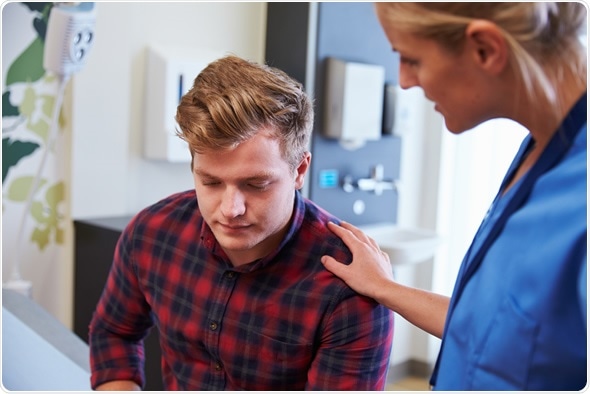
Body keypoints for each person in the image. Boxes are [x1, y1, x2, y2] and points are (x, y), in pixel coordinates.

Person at [321, 2, 586, 391]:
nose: (405, 81)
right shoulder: (539, 153)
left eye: (411, 59)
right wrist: (384, 287)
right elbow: (488, 329)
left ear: (485, 49)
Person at [88, 55, 394, 390]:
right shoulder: (152, 233)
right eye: (211, 183)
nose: (230, 209)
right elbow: (114, 332)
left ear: (299, 171)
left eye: (256, 185)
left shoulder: (349, 286)